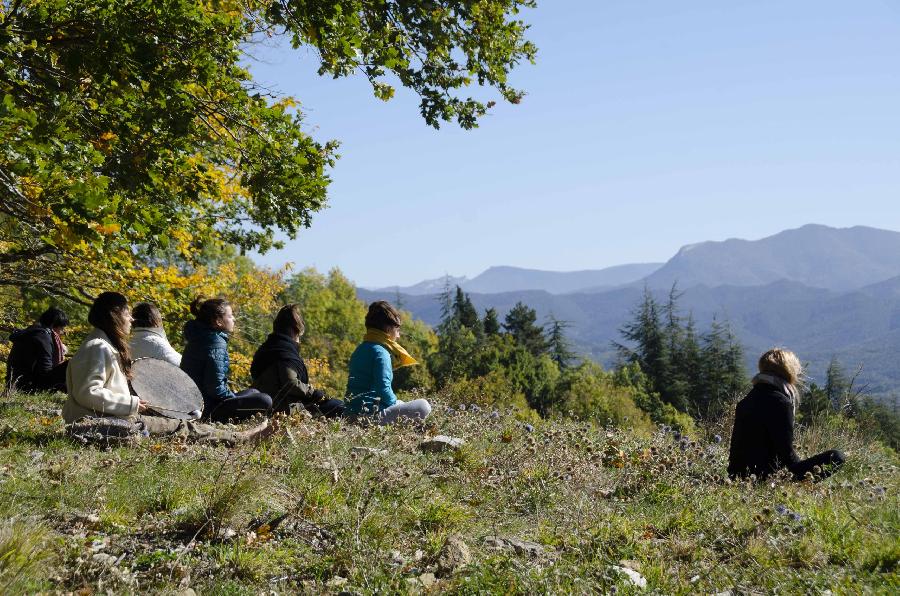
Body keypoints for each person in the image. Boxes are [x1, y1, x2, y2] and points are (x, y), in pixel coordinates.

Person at [62, 292, 271, 446]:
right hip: (104, 424)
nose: (131, 319)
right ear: (114, 314)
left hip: (112, 419)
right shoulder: (97, 347)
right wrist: (132, 403)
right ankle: (243, 439)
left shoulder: (102, 345)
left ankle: (240, 437)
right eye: (127, 313)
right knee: (183, 428)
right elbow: (87, 393)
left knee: (181, 425)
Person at [728, 348, 845, 482]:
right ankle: (803, 487)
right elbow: (787, 456)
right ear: (788, 371)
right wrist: (803, 474)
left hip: (736, 476)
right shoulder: (780, 402)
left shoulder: (746, 400)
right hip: (764, 478)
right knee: (837, 457)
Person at [180, 297, 272, 422]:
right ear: (218, 321)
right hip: (205, 409)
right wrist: (232, 396)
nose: (234, 319)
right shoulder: (215, 343)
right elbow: (215, 388)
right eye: (230, 316)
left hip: (195, 403)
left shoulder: (201, 337)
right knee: (265, 400)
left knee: (254, 391)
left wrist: (231, 395)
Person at [344, 301, 431, 425]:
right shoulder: (381, 353)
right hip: (370, 416)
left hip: (350, 413)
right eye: (397, 329)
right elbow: (383, 389)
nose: (398, 335)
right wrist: (395, 403)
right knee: (423, 405)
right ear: (389, 329)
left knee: (400, 402)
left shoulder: (360, 349)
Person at [251, 304, 345, 418]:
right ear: (294, 330)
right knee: (340, 407)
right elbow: (290, 383)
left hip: (271, 404)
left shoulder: (268, 348)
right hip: (284, 408)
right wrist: (314, 393)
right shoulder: (284, 353)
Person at [5, 306, 70, 393]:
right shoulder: (43, 337)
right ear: (53, 325)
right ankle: (77, 395)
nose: (61, 332)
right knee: (73, 363)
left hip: (16, 384)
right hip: (29, 387)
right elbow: (45, 371)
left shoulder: (31, 332)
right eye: (61, 328)